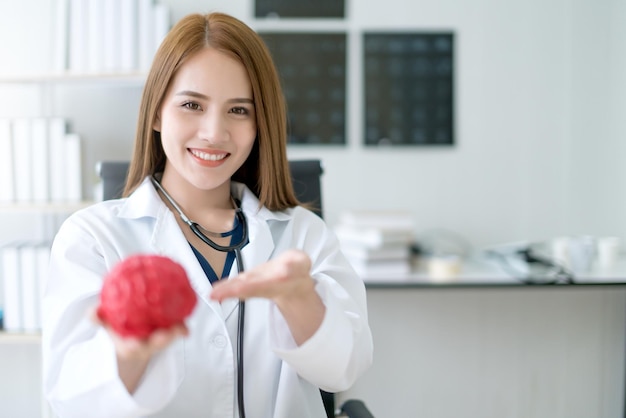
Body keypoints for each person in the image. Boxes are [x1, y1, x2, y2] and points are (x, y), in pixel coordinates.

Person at [42, 11, 373, 418]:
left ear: (260, 124)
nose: (214, 133)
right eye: (192, 105)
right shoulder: (92, 238)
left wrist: (300, 300)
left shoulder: (303, 236)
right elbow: (68, 402)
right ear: (158, 113)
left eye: (239, 110)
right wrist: (127, 357)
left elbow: (346, 369)